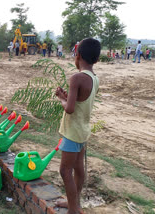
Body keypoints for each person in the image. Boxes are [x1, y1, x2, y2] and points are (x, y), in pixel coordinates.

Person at [55, 38, 100, 214]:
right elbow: (80, 102)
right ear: (96, 59)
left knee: (65, 171)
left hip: (72, 132)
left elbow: (71, 109)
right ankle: (74, 203)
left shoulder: (77, 78)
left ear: (78, 55)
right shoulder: (94, 78)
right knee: (78, 169)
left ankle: (73, 209)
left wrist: (61, 98)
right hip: (83, 131)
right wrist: (67, 97)